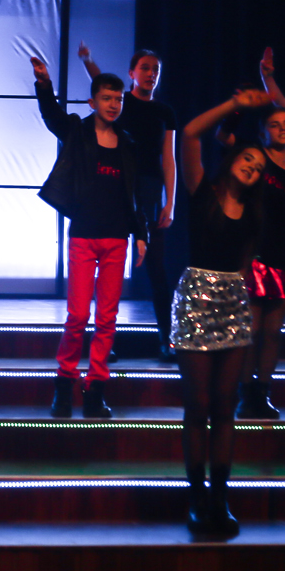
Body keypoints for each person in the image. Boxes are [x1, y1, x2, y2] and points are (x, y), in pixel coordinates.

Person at [174, 87, 271, 538]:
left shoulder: (254, 212)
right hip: (196, 299)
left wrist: (242, 302)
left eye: (259, 167)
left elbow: (247, 264)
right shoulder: (201, 191)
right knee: (198, 405)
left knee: (225, 407)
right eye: (247, 159)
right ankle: (196, 498)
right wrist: (235, 105)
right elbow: (190, 133)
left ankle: (219, 497)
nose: (252, 167)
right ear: (232, 159)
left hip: (234, 304)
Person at [32, 57, 147, 419]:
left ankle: (96, 388)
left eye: (118, 99)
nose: (113, 104)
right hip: (83, 234)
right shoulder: (77, 132)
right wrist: (44, 84)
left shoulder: (128, 143)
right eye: (107, 98)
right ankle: (64, 383)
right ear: (92, 102)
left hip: (117, 238)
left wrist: (141, 234)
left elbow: (136, 193)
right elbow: (51, 116)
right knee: (78, 315)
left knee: (107, 318)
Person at [81, 46, 178, 359]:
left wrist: (170, 201)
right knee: (110, 266)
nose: (151, 74)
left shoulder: (164, 112)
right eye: (145, 68)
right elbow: (101, 83)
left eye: (155, 69)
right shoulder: (121, 102)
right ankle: (103, 341)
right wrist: (88, 60)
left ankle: (167, 339)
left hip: (149, 189)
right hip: (118, 184)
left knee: (157, 268)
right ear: (131, 73)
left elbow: (169, 158)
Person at [241, 101, 285, 419]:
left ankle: (263, 392)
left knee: (272, 332)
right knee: (251, 330)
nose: (282, 129)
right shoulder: (257, 162)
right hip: (254, 252)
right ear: (263, 131)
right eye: (275, 124)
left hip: (283, 253)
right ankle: (244, 393)